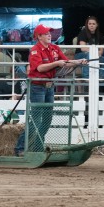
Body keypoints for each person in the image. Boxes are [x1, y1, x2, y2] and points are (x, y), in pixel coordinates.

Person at [14, 24, 85, 156]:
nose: (49, 35)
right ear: (39, 36)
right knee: (36, 119)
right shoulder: (35, 50)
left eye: (49, 33)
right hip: (37, 86)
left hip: (49, 86)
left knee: (47, 119)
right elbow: (40, 68)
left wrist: (79, 61)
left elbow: (66, 62)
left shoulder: (54, 48)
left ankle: (36, 147)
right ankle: (20, 148)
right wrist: (56, 64)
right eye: (46, 33)